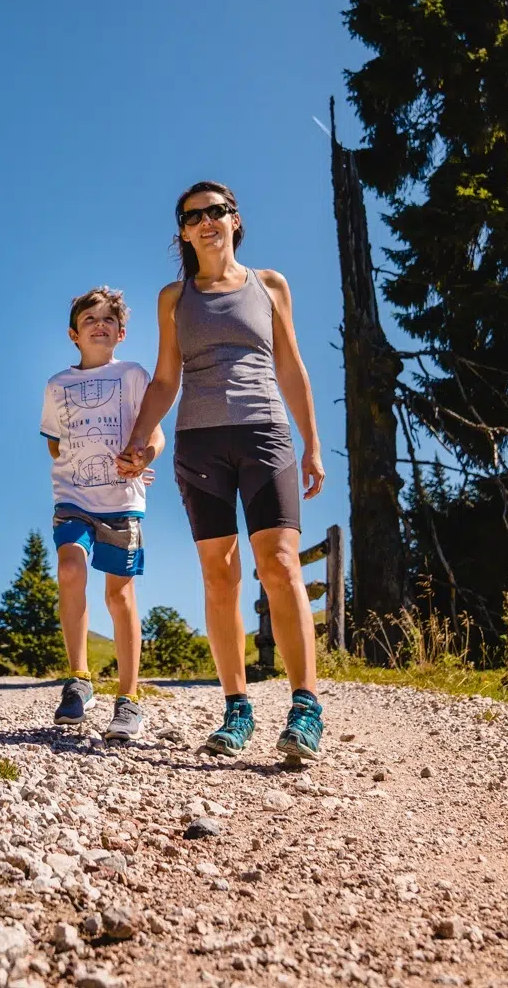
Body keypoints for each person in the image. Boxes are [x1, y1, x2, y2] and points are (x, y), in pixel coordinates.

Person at [118, 180, 328, 762]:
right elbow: (165, 379)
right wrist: (138, 439)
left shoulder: (271, 285)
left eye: (217, 211)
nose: (207, 221)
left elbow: (291, 366)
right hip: (199, 443)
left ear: (235, 220)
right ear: (183, 232)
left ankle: (305, 705)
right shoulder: (173, 298)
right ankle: (236, 708)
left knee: (280, 563)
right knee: (219, 573)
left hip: (265, 433)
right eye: (194, 216)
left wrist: (311, 443)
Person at [40, 287, 162, 740]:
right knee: (70, 569)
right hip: (72, 496)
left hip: (122, 502)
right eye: (89, 318)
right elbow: (53, 440)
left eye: (108, 319)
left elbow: (155, 434)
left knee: (119, 596)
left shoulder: (132, 375)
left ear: (121, 333)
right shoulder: (57, 385)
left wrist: (143, 456)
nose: (99, 324)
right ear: (74, 333)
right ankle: (79, 679)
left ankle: (128, 700)